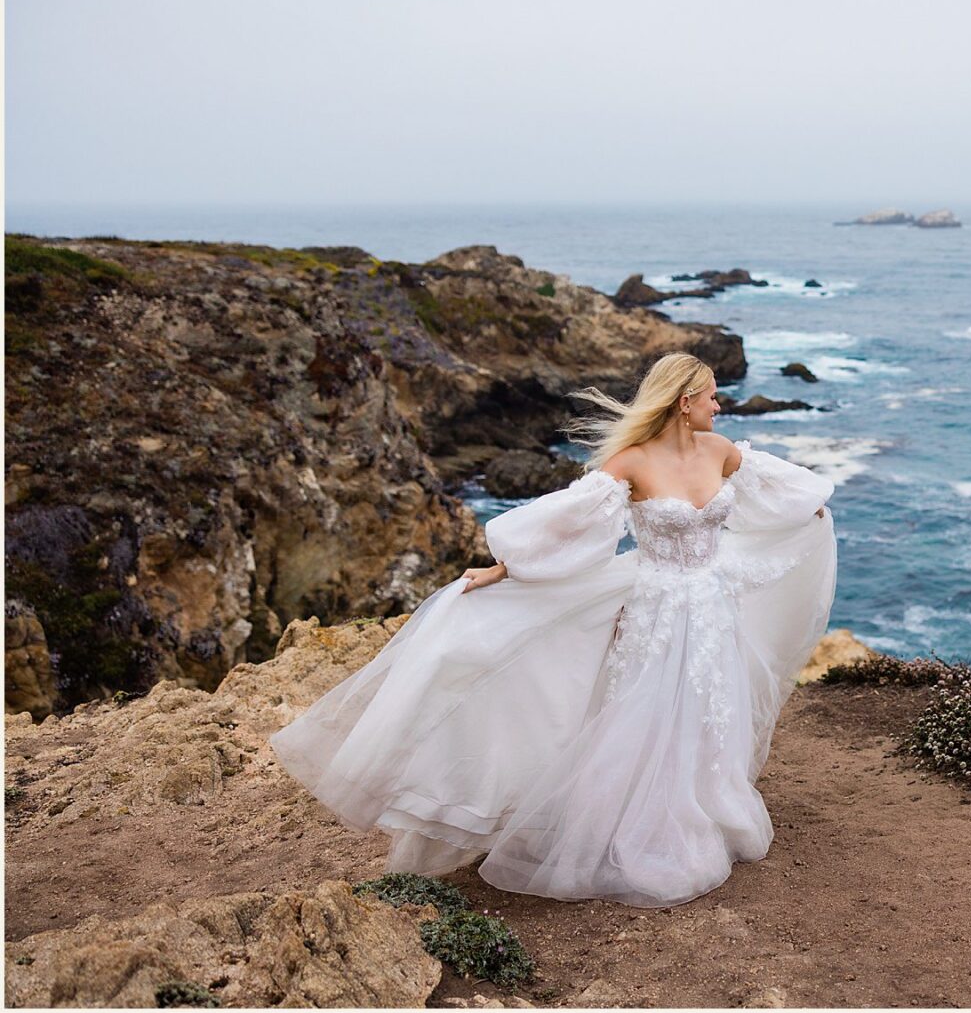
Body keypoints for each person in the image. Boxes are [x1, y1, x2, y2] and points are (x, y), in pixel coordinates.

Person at [268, 352, 838, 908]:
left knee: (708, 706)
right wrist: (504, 569)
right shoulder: (631, 463)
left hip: (713, 605)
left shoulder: (721, 452)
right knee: (644, 711)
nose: (721, 403)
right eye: (712, 394)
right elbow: (570, 524)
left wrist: (807, 513)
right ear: (685, 401)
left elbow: (780, 493)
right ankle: (627, 826)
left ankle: (702, 806)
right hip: (656, 608)